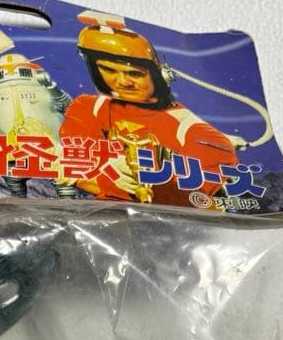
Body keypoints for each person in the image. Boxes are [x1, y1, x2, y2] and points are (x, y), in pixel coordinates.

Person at [60, 13, 236, 206]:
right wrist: (106, 175)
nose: (123, 82)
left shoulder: (192, 131)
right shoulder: (88, 108)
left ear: (159, 75)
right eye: (108, 70)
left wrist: (107, 178)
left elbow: (194, 199)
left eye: (135, 73)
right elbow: (73, 162)